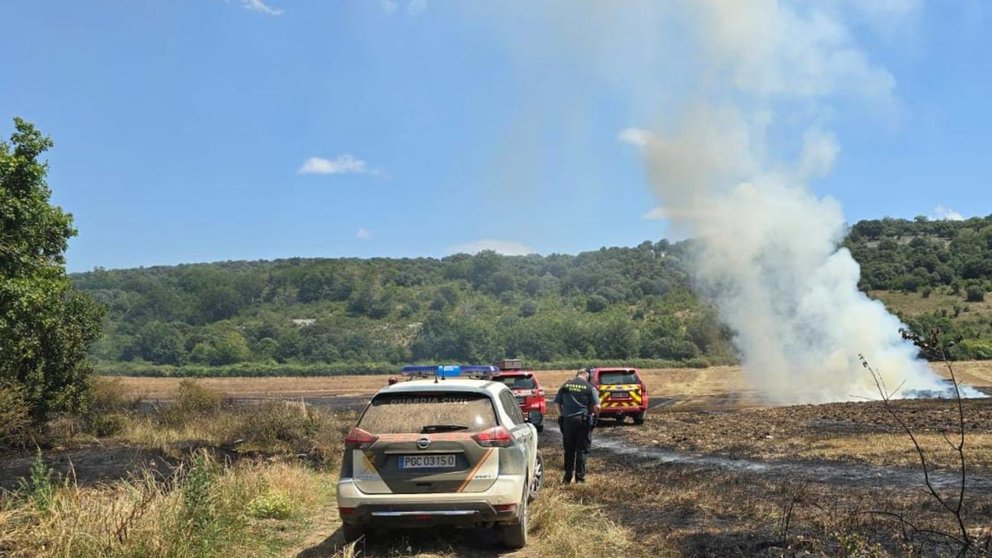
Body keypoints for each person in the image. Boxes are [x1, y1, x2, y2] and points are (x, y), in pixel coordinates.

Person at [553, 368, 600, 484]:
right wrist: (595, 417)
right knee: (582, 450)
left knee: (569, 450)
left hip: (567, 421)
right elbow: (598, 407)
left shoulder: (565, 386)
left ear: (577, 375)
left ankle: (567, 477)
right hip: (583, 422)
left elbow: (556, 404)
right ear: (587, 376)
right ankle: (580, 479)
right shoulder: (590, 388)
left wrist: (562, 415)